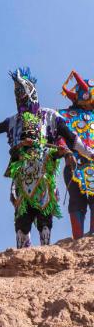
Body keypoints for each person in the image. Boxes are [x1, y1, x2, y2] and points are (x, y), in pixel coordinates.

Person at [0, 67, 79, 247]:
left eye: (21, 91)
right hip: (21, 179)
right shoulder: (13, 122)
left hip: (44, 179)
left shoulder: (50, 117)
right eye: (16, 92)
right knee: (21, 222)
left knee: (44, 220)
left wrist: (70, 153)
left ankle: (45, 251)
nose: (18, 96)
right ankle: (24, 252)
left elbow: (67, 141)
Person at [58, 71, 94, 238]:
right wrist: (65, 152)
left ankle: (92, 236)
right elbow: (59, 136)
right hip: (74, 164)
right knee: (77, 200)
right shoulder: (63, 117)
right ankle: (78, 238)